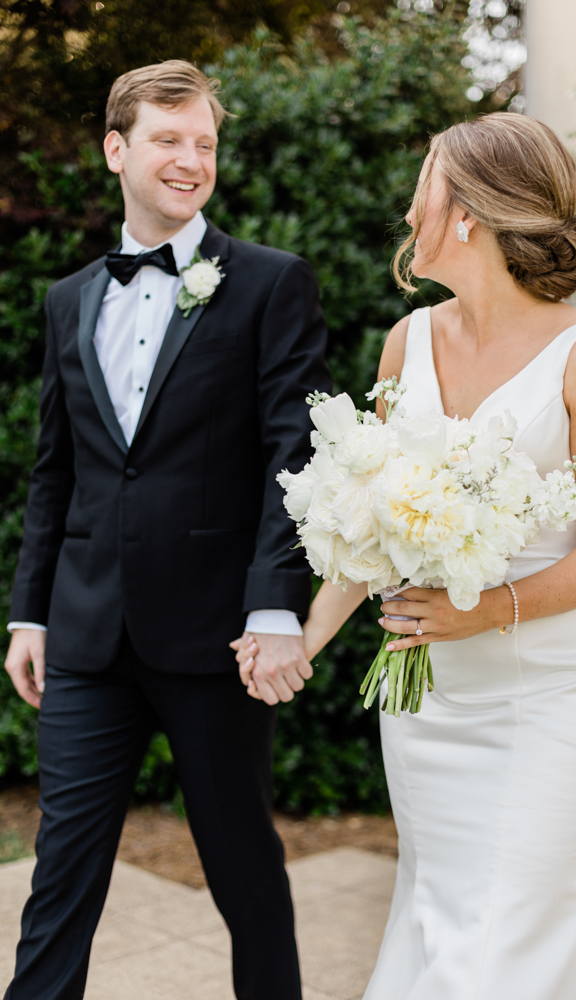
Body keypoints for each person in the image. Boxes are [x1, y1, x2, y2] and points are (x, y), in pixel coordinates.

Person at [237, 114, 576, 998]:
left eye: (421, 186)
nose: (406, 210)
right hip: (430, 700)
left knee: (504, 926)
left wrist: (486, 610)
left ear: (464, 214)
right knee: (457, 911)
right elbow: (370, 524)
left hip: (547, 691)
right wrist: (303, 639)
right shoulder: (408, 342)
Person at [4, 60, 330, 1000]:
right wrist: (32, 616)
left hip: (216, 637)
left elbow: (294, 454)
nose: (191, 162)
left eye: (205, 145)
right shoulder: (68, 298)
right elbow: (56, 470)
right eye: (168, 140)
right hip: (87, 635)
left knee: (243, 872)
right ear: (116, 149)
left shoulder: (271, 283)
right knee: (60, 874)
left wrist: (275, 607)